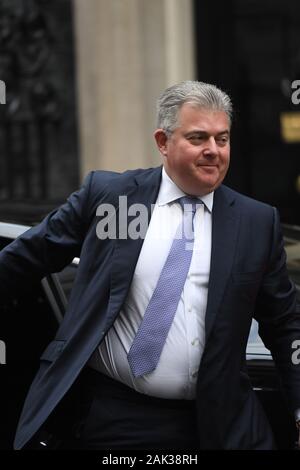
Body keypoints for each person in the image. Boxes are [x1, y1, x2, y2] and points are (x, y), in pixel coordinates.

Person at [0, 80, 300, 450]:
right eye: (198, 138)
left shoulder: (255, 223)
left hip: (222, 424)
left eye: (222, 139)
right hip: (119, 419)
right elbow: (24, 260)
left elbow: (285, 323)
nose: (213, 151)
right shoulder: (116, 200)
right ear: (163, 142)